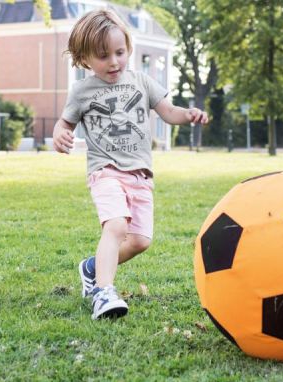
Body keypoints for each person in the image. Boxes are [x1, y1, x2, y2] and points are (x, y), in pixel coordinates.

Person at [53, 9, 208, 320]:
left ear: (128, 48)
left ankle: (92, 268)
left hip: (140, 175)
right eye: (102, 56)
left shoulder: (141, 81)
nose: (113, 62)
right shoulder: (82, 91)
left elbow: (169, 111)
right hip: (105, 171)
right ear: (84, 58)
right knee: (116, 225)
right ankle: (103, 292)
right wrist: (60, 134)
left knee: (139, 240)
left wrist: (188, 114)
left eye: (119, 52)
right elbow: (65, 123)